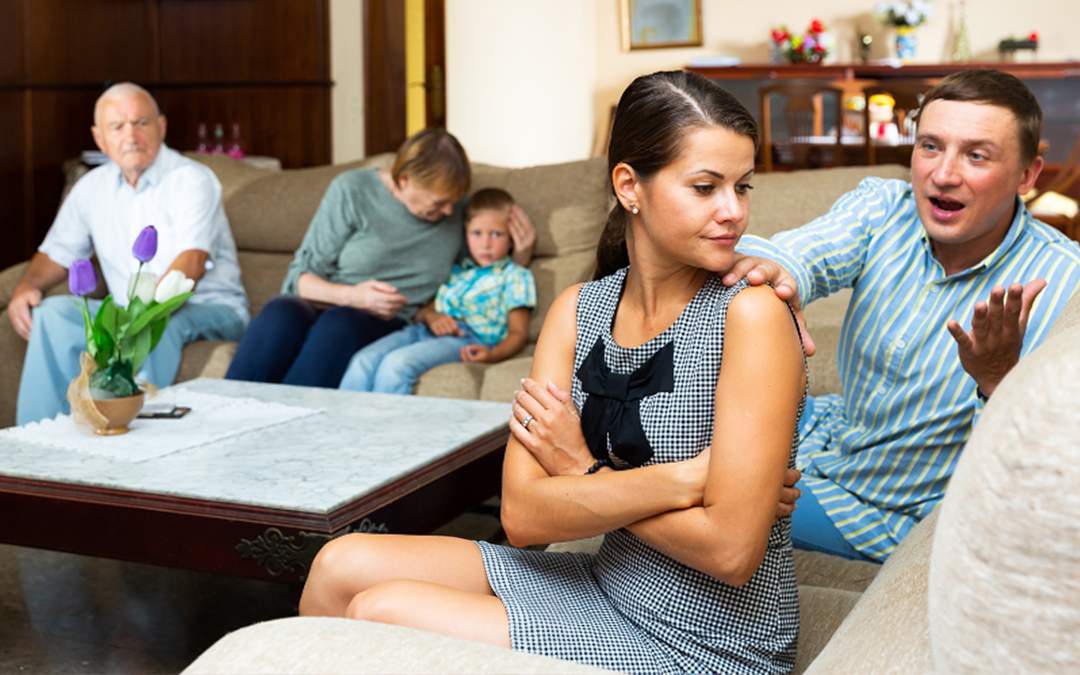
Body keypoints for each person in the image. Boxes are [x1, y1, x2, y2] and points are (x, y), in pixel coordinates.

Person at [298, 71, 807, 674]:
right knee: (339, 563)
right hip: (606, 581)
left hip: (707, 641)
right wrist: (688, 482)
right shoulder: (577, 311)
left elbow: (730, 550)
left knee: (380, 611)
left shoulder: (752, 314)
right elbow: (522, 516)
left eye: (742, 187)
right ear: (629, 185)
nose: (734, 212)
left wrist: (580, 470)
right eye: (705, 187)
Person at [725, 69, 1080, 562]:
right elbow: (798, 255)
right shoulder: (882, 207)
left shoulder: (1065, 284)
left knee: (721, 499)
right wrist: (775, 279)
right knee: (680, 433)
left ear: (1026, 175)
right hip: (830, 433)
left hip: (889, 510)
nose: (944, 173)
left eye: (976, 155)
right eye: (931, 146)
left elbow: (1040, 468)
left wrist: (998, 382)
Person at [9, 82, 248, 425]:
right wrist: (26, 285)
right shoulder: (91, 187)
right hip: (129, 310)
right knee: (53, 314)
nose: (131, 135)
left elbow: (191, 264)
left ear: (161, 127)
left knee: (156, 323)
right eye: (117, 127)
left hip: (209, 306)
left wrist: (144, 314)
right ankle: (38, 439)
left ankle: (136, 433)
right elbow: (57, 253)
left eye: (141, 123)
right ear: (99, 138)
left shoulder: (191, 179)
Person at [224, 129, 537, 389]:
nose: (447, 212)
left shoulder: (456, 213)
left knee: (339, 324)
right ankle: (227, 418)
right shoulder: (353, 190)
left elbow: (485, 274)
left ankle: (288, 431)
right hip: (330, 300)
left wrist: (520, 255)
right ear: (403, 180)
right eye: (439, 203)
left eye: (452, 203)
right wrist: (354, 296)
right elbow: (299, 279)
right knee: (280, 311)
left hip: (389, 320)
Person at [339, 188, 536, 393]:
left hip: (467, 338)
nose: (485, 244)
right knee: (363, 360)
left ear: (511, 237)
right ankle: (344, 425)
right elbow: (424, 311)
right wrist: (433, 317)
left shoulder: (515, 276)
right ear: (466, 233)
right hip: (422, 331)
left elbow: (518, 333)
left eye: (496, 234)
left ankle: (386, 425)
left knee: (396, 365)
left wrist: (492, 355)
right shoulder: (457, 272)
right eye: (477, 233)